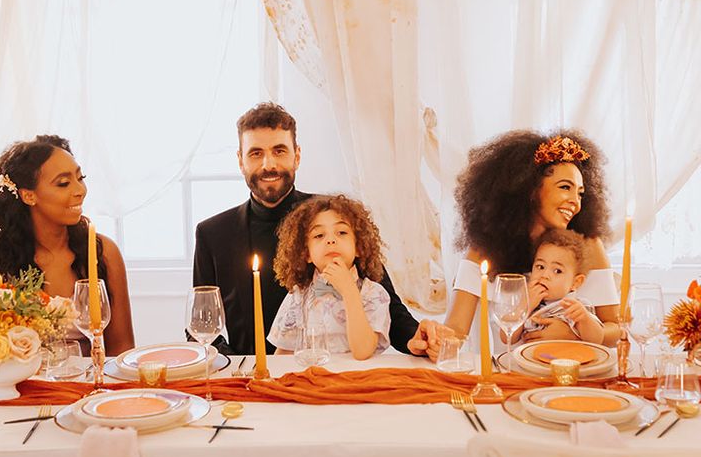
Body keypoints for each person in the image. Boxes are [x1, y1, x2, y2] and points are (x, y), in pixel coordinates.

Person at [192, 102, 443, 357]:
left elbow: (386, 304)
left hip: (333, 374)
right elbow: (200, 327)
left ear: (297, 156)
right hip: (251, 381)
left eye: (279, 150)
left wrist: (415, 338)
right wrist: (231, 364)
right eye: (256, 153)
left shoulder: (335, 221)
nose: (269, 164)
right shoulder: (212, 234)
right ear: (240, 160)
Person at [412, 130, 619, 361]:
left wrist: (575, 334)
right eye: (565, 187)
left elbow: (615, 330)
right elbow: (456, 331)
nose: (575, 202)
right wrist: (433, 338)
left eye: (580, 193)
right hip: (511, 378)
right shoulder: (484, 249)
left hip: (577, 377)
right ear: (529, 189)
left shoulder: (588, 246)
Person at [0, 135, 135, 355]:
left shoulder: (103, 251)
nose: (80, 190)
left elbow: (121, 350)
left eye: (80, 178)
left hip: (84, 384)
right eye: (63, 183)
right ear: (28, 195)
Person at [269, 195, 391, 359]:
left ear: (359, 248)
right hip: (312, 379)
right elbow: (284, 353)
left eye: (341, 232)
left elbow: (363, 351)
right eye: (319, 235)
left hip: (357, 379)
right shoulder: (298, 296)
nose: (331, 240)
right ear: (306, 254)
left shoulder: (373, 294)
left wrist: (349, 291)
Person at [510, 228, 605, 345]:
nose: (545, 275)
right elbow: (507, 337)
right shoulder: (528, 303)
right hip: (529, 361)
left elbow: (597, 340)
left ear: (576, 282)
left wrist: (584, 319)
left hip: (566, 361)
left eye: (557, 271)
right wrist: (525, 307)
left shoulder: (575, 307)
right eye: (540, 267)